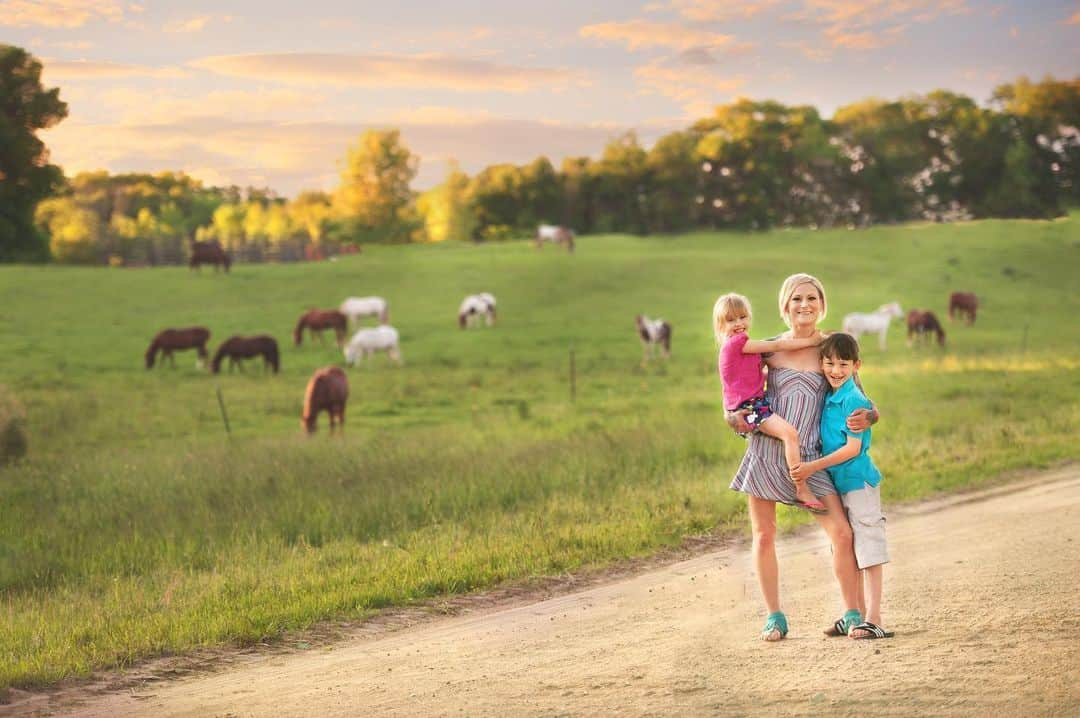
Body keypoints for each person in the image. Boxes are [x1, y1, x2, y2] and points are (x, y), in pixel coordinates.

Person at [727, 273, 878, 641]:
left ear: (822, 303)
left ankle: (852, 613)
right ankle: (774, 616)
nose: (804, 305)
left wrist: (871, 416)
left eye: (811, 298)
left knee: (842, 534)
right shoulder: (768, 348)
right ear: (784, 305)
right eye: (796, 299)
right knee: (764, 535)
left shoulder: (834, 347)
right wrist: (733, 417)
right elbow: (734, 387)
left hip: (811, 458)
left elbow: (864, 400)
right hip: (767, 452)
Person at [791, 333, 893, 639]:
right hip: (840, 483)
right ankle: (856, 615)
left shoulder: (853, 399)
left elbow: (851, 449)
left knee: (869, 546)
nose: (836, 370)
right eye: (830, 363)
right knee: (846, 546)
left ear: (856, 365)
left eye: (843, 364)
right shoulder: (830, 395)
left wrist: (812, 467)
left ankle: (874, 618)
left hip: (858, 482)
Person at [713, 292, 826, 513]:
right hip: (749, 408)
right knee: (790, 435)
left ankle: (784, 480)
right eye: (730, 320)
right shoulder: (737, 343)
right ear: (720, 325)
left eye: (743, 317)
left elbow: (750, 376)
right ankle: (801, 487)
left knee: (784, 436)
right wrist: (811, 342)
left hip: (752, 403)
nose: (738, 324)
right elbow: (777, 346)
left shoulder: (741, 347)